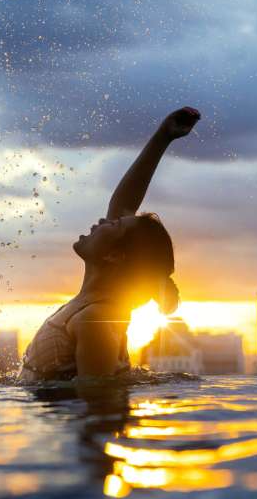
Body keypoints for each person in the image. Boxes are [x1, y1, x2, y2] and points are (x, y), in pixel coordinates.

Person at [19, 107, 201, 382]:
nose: (101, 222)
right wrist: (163, 137)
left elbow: (100, 401)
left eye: (113, 225)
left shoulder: (96, 320)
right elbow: (124, 203)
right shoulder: (91, 307)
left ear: (115, 256)